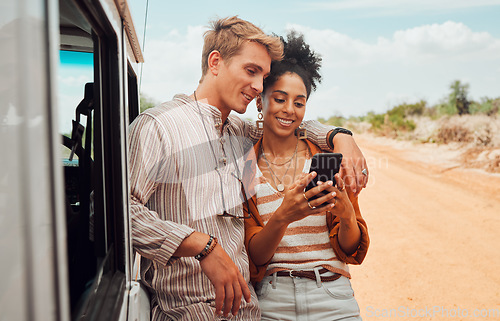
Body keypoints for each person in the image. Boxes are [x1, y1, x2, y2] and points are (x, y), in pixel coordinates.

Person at [128, 16, 368, 320]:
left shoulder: (239, 133)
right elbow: (115, 211)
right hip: (188, 312)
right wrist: (201, 246)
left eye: (263, 76)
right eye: (251, 71)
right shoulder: (158, 127)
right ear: (215, 62)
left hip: (249, 311)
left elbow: (291, 125)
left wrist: (341, 137)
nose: (258, 86)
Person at [243, 31, 369, 320]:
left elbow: (351, 248)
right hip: (273, 302)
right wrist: (284, 215)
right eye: (279, 98)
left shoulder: (325, 158)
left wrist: (347, 215)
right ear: (260, 101)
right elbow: (255, 255)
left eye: (299, 102)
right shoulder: (245, 166)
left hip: (334, 297)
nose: (289, 110)